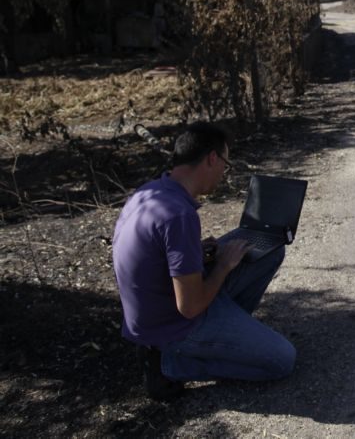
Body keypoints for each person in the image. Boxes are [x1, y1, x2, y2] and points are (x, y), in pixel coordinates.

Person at [112, 122, 295, 399]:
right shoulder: (178, 216)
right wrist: (222, 266)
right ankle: (171, 364)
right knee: (282, 359)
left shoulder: (150, 192)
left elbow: (155, 255)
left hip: (152, 312)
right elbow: (190, 307)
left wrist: (195, 251)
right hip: (172, 327)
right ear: (212, 158)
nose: (224, 173)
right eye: (225, 164)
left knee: (269, 250)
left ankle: (227, 333)